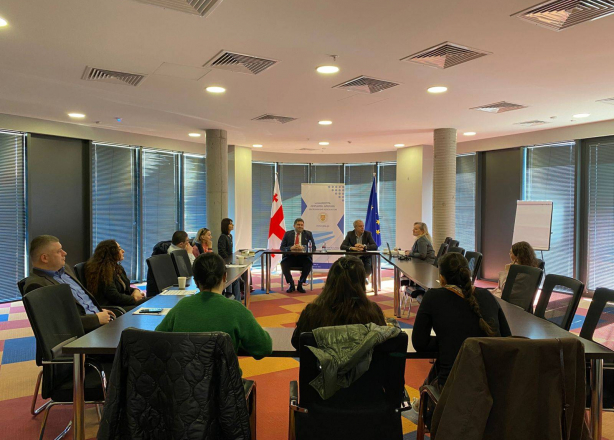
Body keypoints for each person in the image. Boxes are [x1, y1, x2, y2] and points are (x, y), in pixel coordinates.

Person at [408, 252, 512, 423]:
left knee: (445, 363)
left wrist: (448, 342)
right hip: (493, 386)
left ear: (441, 278)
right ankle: (420, 406)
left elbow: (420, 343)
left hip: (454, 389)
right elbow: (506, 338)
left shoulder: (433, 297)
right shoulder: (487, 296)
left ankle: (421, 408)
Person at [156, 253, 272, 360]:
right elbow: (264, 348)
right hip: (225, 376)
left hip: (186, 375)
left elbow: (157, 341)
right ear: (224, 277)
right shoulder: (237, 310)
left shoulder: (181, 307)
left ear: (196, 281)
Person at [23, 235, 116, 333]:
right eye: (59, 251)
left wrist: (98, 311)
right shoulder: (36, 285)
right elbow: (59, 323)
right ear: (45, 258)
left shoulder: (65, 269)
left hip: (99, 319)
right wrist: (96, 318)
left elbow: (82, 300)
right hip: (83, 333)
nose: (65, 253)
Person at [291, 255, 386, 349]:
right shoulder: (373, 312)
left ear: (330, 280)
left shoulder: (312, 312)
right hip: (363, 360)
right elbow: (383, 343)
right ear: (361, 282)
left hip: (321, 359)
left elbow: (297, 342)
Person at [84, 240, 146, 309]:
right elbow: (114, 296)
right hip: (113, 308)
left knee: (151, 301)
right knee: (147, 305)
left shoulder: (117, 268)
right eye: (119, 249)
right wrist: (134, 299)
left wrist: (136, 291)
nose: (123, 251)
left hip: (122, 304)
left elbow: (126, 288)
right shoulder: (102, 272)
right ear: (110, 253)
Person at [280, 218, 316, 293]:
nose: (300, 226)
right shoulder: (287, 234)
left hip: (303, 258)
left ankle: (300, 283)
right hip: (290, 257)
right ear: (294, 226)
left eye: (302, 225)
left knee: (309, 263)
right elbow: (282, 247)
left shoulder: (308, 234)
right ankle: (291, 284)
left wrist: (304, 248)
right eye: (298, 225)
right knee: (283, 263)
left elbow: (313, 247)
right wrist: (290, 248)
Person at [218, 218, 241, 301]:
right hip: (225, 263)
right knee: (231, 280)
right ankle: (230, 299)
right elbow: (222, 251)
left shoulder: (230, 236)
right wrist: (229, 261)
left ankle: (237, 300)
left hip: (230, 262)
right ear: (226, 226)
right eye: (230, 224)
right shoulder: (223, 237)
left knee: (236, 279)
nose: (232, 225)